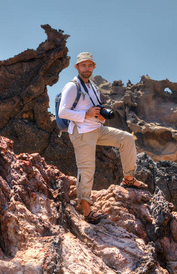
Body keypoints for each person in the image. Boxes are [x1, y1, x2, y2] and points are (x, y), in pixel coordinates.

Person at [59, 52, 148, 224]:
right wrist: (85, 114)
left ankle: (128, 179)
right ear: (77, 67)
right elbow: (63, 111)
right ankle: (86, 211)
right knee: (87, 169)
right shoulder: (72, 86)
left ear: (94, 67)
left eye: (89, 65)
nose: (87, 68)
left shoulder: (93, 86)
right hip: (82, 132)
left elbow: (96, 107)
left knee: (127, 139)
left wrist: (101, 116)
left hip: (97, 129)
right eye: (83, 65)